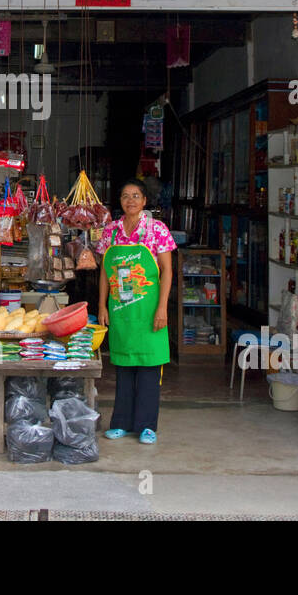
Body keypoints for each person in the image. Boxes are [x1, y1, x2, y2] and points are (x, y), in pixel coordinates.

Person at [95, 180, 174, 444]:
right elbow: (106, 273)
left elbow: (167, 272)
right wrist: (102, 305)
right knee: (124, 366)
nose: (130, 200)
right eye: (126, 195)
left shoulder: (157, 230)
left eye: (136, 196)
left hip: (150, 310)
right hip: (122, 311)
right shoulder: (111, 231)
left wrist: (162, 307)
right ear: (120, 201)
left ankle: (147, 426)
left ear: (144, 201)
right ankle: (121, 423)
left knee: (149, 367)